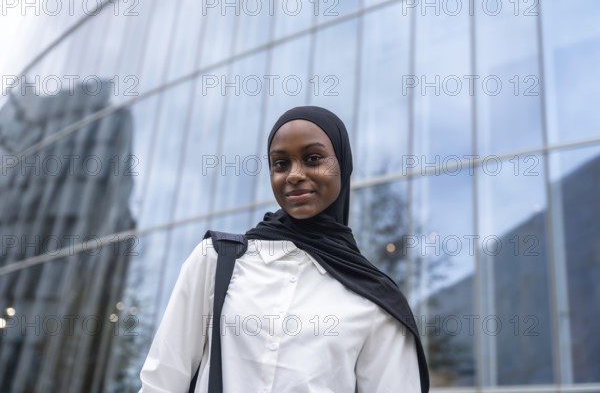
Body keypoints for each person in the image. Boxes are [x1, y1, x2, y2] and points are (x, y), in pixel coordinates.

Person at [139, 106, 429, 392]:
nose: (294, 175)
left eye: (313, 158)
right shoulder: (216, 259)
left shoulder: (375, 300)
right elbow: (161, 382)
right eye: (281, 164)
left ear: (343, 164)